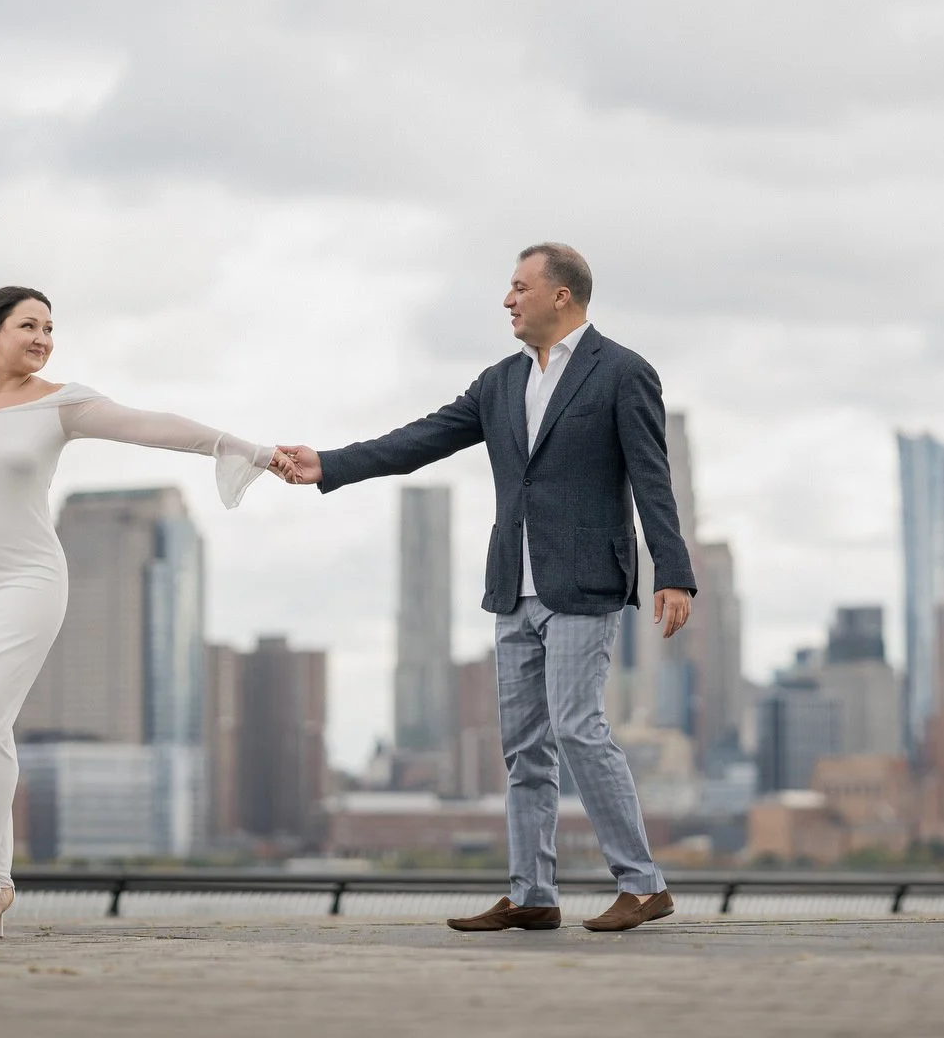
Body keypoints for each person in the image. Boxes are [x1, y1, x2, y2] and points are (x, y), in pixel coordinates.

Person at [0, 286, 291, 940]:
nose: (43, 338)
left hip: (28, 581)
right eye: (29, 325)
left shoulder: (61, 402)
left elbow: (151, 424)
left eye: (49, 328)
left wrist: (247, 448)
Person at [277, 244, 696, 933]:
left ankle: (643, 884)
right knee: (524, 749)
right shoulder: (500, 382)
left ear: (560, 295)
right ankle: (533, 894)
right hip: (513, 585)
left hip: (584, 582)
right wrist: (329, 463)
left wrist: (672, 573)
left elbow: (653, 477)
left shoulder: (623, 372)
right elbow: (421, 439)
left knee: (578, 728)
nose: (507, 300)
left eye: (519, 287)